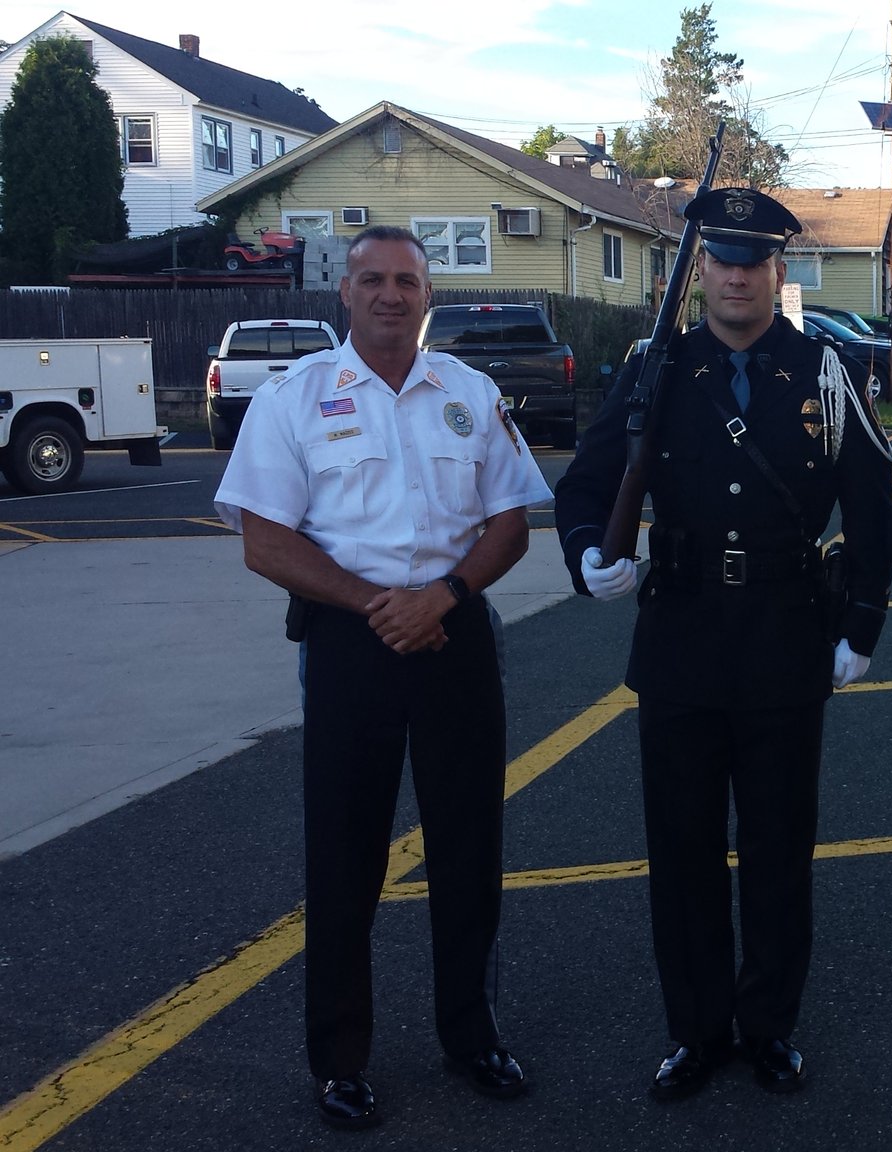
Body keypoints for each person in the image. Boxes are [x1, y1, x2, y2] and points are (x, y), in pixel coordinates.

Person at [551, 187, 892, 1099]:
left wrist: (862, 620)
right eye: (722, 260)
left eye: (755, 261)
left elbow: (870, 503)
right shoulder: (656, 368)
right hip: (682, 637)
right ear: (700, 269)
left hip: (787, 634)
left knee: (780, 849)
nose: (738, 276)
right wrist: (590, 554)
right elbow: (584, 485)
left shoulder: (824, 370)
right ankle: (697, 1031)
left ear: (777, 272)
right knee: (684, 852)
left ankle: (769, 1026)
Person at [214, 225, 552, 1130]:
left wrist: (442, 596)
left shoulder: (469, 393)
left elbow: (511, 522)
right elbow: (264, 541)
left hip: (454, 634)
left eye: (407, 280)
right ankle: (339, 1061)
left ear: (427, 293)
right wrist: (379, 604)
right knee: (345, 853)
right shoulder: (293, 398)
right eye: (373, 280)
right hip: (351, 642)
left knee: (469, 847)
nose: (391, 295)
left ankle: (472, 1035)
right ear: (346, 291)